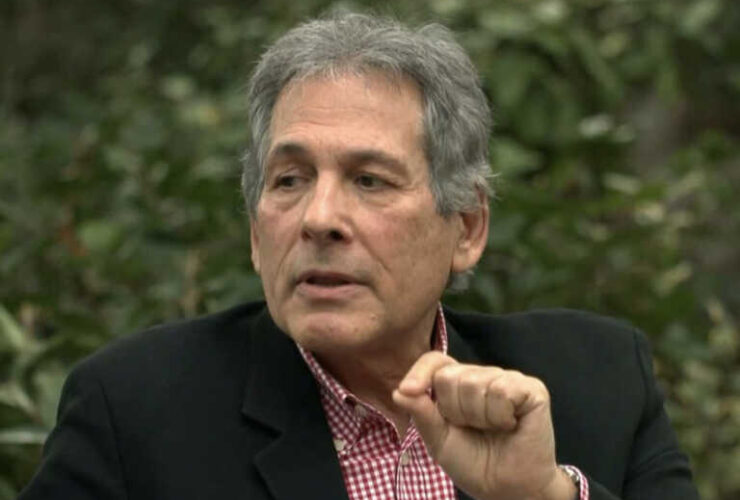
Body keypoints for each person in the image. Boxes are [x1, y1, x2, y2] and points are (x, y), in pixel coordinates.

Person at [20, 13, 699, 500]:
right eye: (290, 180)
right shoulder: (134, 411)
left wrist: (543, 495)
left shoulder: (600, 381)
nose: (318, 219)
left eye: (370, 181)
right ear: (256, 233)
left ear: (466, 227)